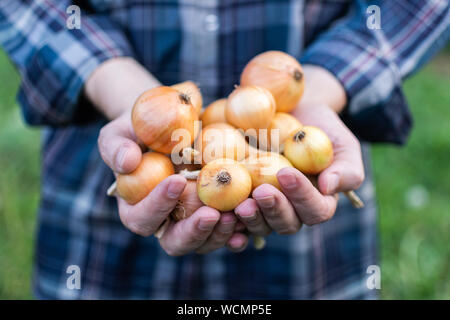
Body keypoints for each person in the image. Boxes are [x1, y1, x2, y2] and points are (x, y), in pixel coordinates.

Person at [0, 0, 448, 299]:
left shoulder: (269, 130)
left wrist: (325, 83)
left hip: (315, 251)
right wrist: (116, 84)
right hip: (95, 203)